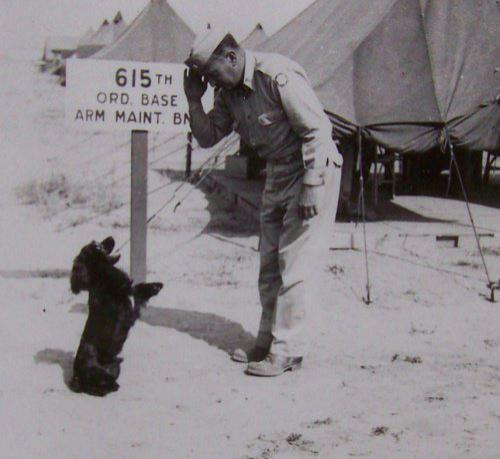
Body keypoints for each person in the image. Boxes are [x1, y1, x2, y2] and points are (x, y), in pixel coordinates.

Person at [183, 28, 342, 377]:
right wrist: (194, 101)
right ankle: (268, 340)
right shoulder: (227, 93)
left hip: (311, 167)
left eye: (211, 74)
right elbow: (208, 137)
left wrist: (312, 185)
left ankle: (287, 351)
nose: (210, 82)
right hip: (278, 171)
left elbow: (317, 131)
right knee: (269, 261)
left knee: (295, 261)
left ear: (231, 57)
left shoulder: (276, 76)